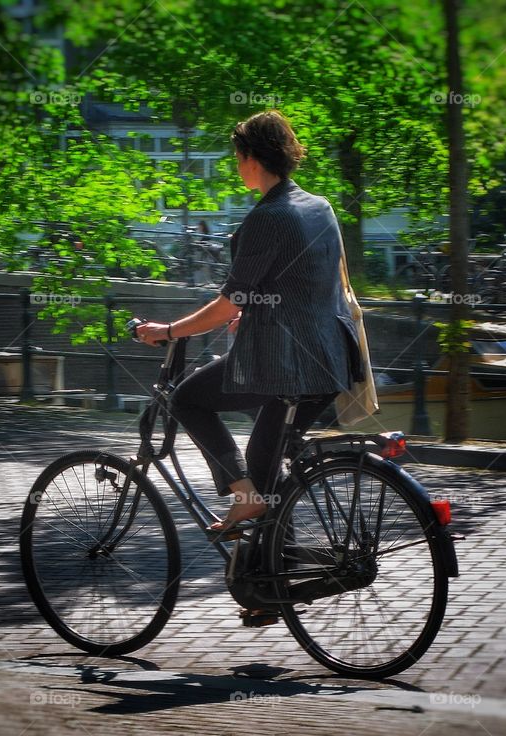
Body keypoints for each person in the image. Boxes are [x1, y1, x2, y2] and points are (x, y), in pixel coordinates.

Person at [136, 110, 360, 539]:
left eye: (237, 157)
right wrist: (256, 310)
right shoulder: (319, 206)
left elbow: (225, 305)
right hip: (332, 360)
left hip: (287, 363)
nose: (237, 166)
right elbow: (308, 281)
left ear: (251, 159)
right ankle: (273, 580)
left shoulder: (267, 216)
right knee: (264, 459)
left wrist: (166, 331)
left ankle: (245, 499)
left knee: (187, 399)